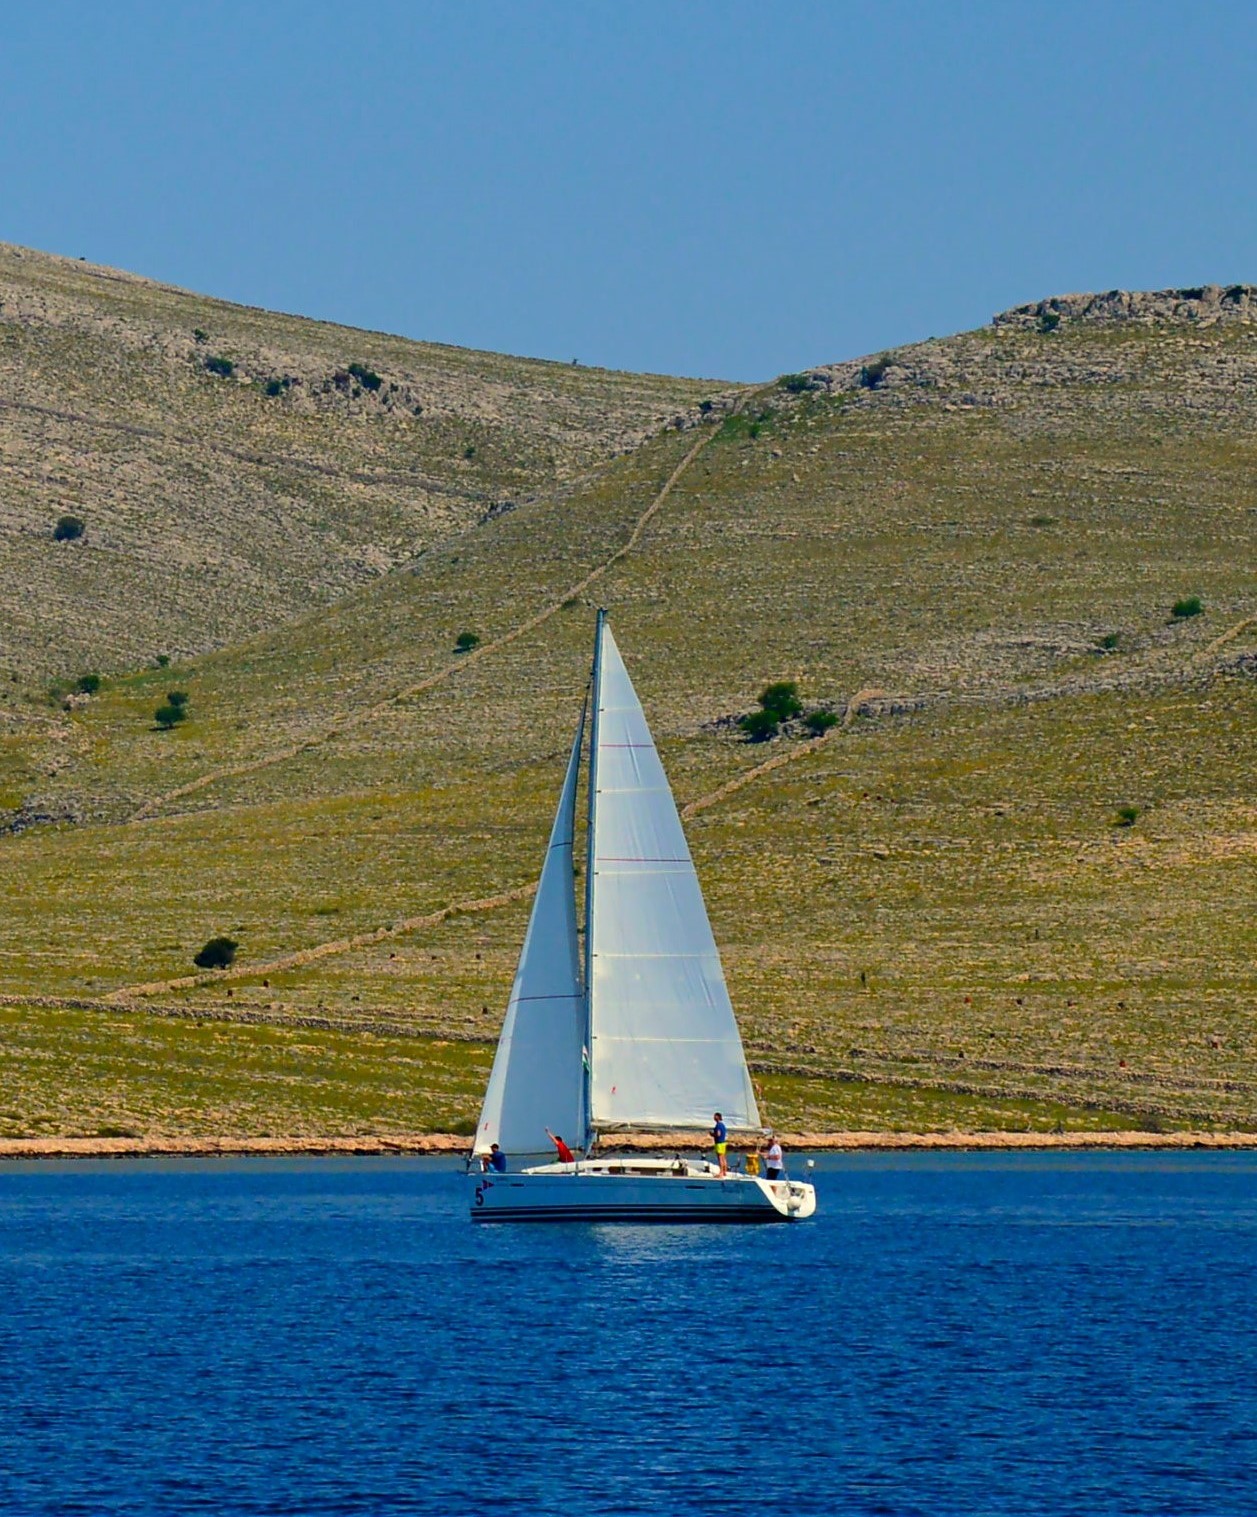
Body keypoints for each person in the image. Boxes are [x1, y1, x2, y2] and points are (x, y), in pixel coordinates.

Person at [711, 1112, 728, 1177]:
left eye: (715, 1116)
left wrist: (712, 1134)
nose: (714, 1117)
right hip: (723, 1143)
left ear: (717, 1117)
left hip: (719, 1143)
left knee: (720, 1158)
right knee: (724, 1158)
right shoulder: (723, 1125)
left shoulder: (718, 1125)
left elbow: (718, 1134)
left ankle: (721, 1173)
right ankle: (725, 1172)